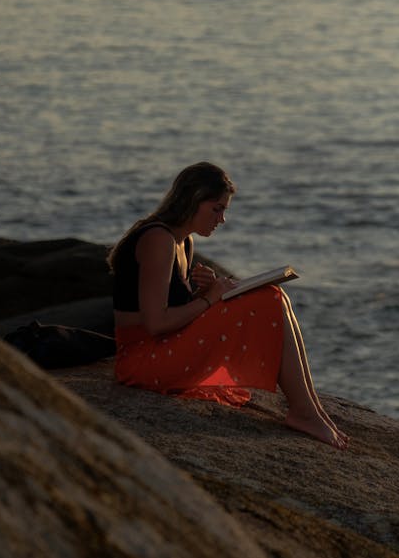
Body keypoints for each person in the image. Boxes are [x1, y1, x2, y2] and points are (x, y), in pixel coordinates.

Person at [108, 161, 348, 449]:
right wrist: (211, 298)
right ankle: (304, 412)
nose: (221, 220)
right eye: (217, 208)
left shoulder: (183, 243)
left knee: (274, 295)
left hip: (162, 346)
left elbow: (172, 312)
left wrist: (205, 292)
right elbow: (156, 323)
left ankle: (311, 409)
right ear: (193, 200)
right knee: (268, 300)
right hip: (142, 360)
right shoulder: (158, 239)